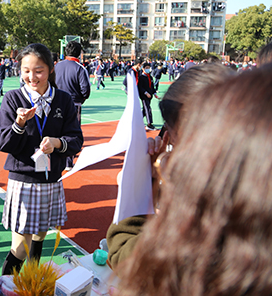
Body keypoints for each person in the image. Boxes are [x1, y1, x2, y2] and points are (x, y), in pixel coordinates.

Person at [114, 67, 272, 295]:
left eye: (175, 133)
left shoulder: (211, 207)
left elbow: (134, 259)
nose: (169, 140)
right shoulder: (252, 174)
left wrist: (138, 184)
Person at [106, 63, 233, 271]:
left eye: (173, 138)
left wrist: (140, 185)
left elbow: (125, 257)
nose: (171, 149)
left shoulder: (203, 209)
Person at [0, 43, 84, 275]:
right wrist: (19, 124)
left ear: (51, 69)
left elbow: (76, 139)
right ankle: (4, 284)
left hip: (51, 177)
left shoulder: (63, 100)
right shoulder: (13, 99)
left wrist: (57, 143)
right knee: (21, 246)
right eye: (26, 70)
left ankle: (32, 279)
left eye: (39, 70)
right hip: (23, 178)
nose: (32, 77)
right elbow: (4, 144)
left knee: (40, 234)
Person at [54, 41, 91, 169]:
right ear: (80, 53)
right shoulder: (80, 68)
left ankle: (57, 160)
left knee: (56, 130)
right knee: (71, 133)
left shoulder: (57, 66)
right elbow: (85, 90)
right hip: (74, 103)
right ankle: (68, 162)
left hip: (56, 102)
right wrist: (81, 99)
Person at [137, 62, 158, 131]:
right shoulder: (141, 77)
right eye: (146, 68)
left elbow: (152, 86)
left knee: (144, 110)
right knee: (148, 109)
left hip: (150, 96)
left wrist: (154, 93)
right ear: (143, 69)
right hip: (144, 96)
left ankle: (137, 121)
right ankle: (149, 124)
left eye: (148, 68)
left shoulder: (150, 77)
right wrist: (146, 93)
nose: (148, 69)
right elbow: (141, 87)